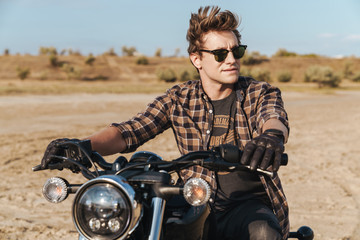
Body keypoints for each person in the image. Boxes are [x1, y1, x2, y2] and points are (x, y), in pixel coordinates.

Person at [41, 6, 289, 240]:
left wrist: (271, 138)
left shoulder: (259, 93)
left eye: (237, 51)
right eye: (221, 53)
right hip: (194, 200)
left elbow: (273, 118)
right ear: (196, 59)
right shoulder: (178, 99)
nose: (231, 59)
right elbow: (130, 131)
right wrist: (80, 145)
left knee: (263, 233)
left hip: (247, 206)